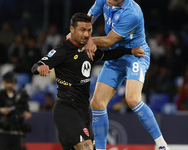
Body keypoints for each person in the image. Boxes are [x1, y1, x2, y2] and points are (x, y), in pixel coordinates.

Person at [31, 12, 145, 150]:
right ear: (72, 29)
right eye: (82, 30)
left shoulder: (88, 50)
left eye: (89, 30)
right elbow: (35, 67)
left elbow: (108, 55)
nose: (86, 34)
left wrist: (130, 51)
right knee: (87, 148)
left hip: (83, 111)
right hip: (67, 109)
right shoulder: (62, 51)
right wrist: (41, 68)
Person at [85, 0, 170, 150]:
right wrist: (80, 31)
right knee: (96, 103)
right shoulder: (103, 0)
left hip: (135, 55)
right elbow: (87, 20)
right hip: (115, 58)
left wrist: (83, 40)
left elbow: (109, 41)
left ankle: (162, 144)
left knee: (132, 99)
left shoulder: (133, 13)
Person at [0, 71, 32, 150]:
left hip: (17, 132)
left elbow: (27, 111)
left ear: (14, 82)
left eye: (11, 82)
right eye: (8, 82)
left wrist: (27, 114)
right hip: (3, 132)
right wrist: (0, 110)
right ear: (3, 82)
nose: (10, 85)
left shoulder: (19, 96)